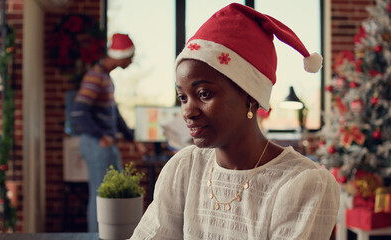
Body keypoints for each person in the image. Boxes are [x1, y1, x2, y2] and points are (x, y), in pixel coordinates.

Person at [131, 3, 340, 239]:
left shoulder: (303, 183)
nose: (187, 111)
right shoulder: (185, 168)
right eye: (182, 97)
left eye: (203, 94)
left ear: (250, 96)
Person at [71, 33, 145, 232]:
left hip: (105, 144)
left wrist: (132, 139)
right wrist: (100, 136)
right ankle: (97, 236)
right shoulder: (95, 76)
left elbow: (115, 115)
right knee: (102, 198)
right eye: (130, 56)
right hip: (97, 144)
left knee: (114, 196)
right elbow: (78, 112)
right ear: (120, 55)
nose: (131, 61)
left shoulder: (105, 77)